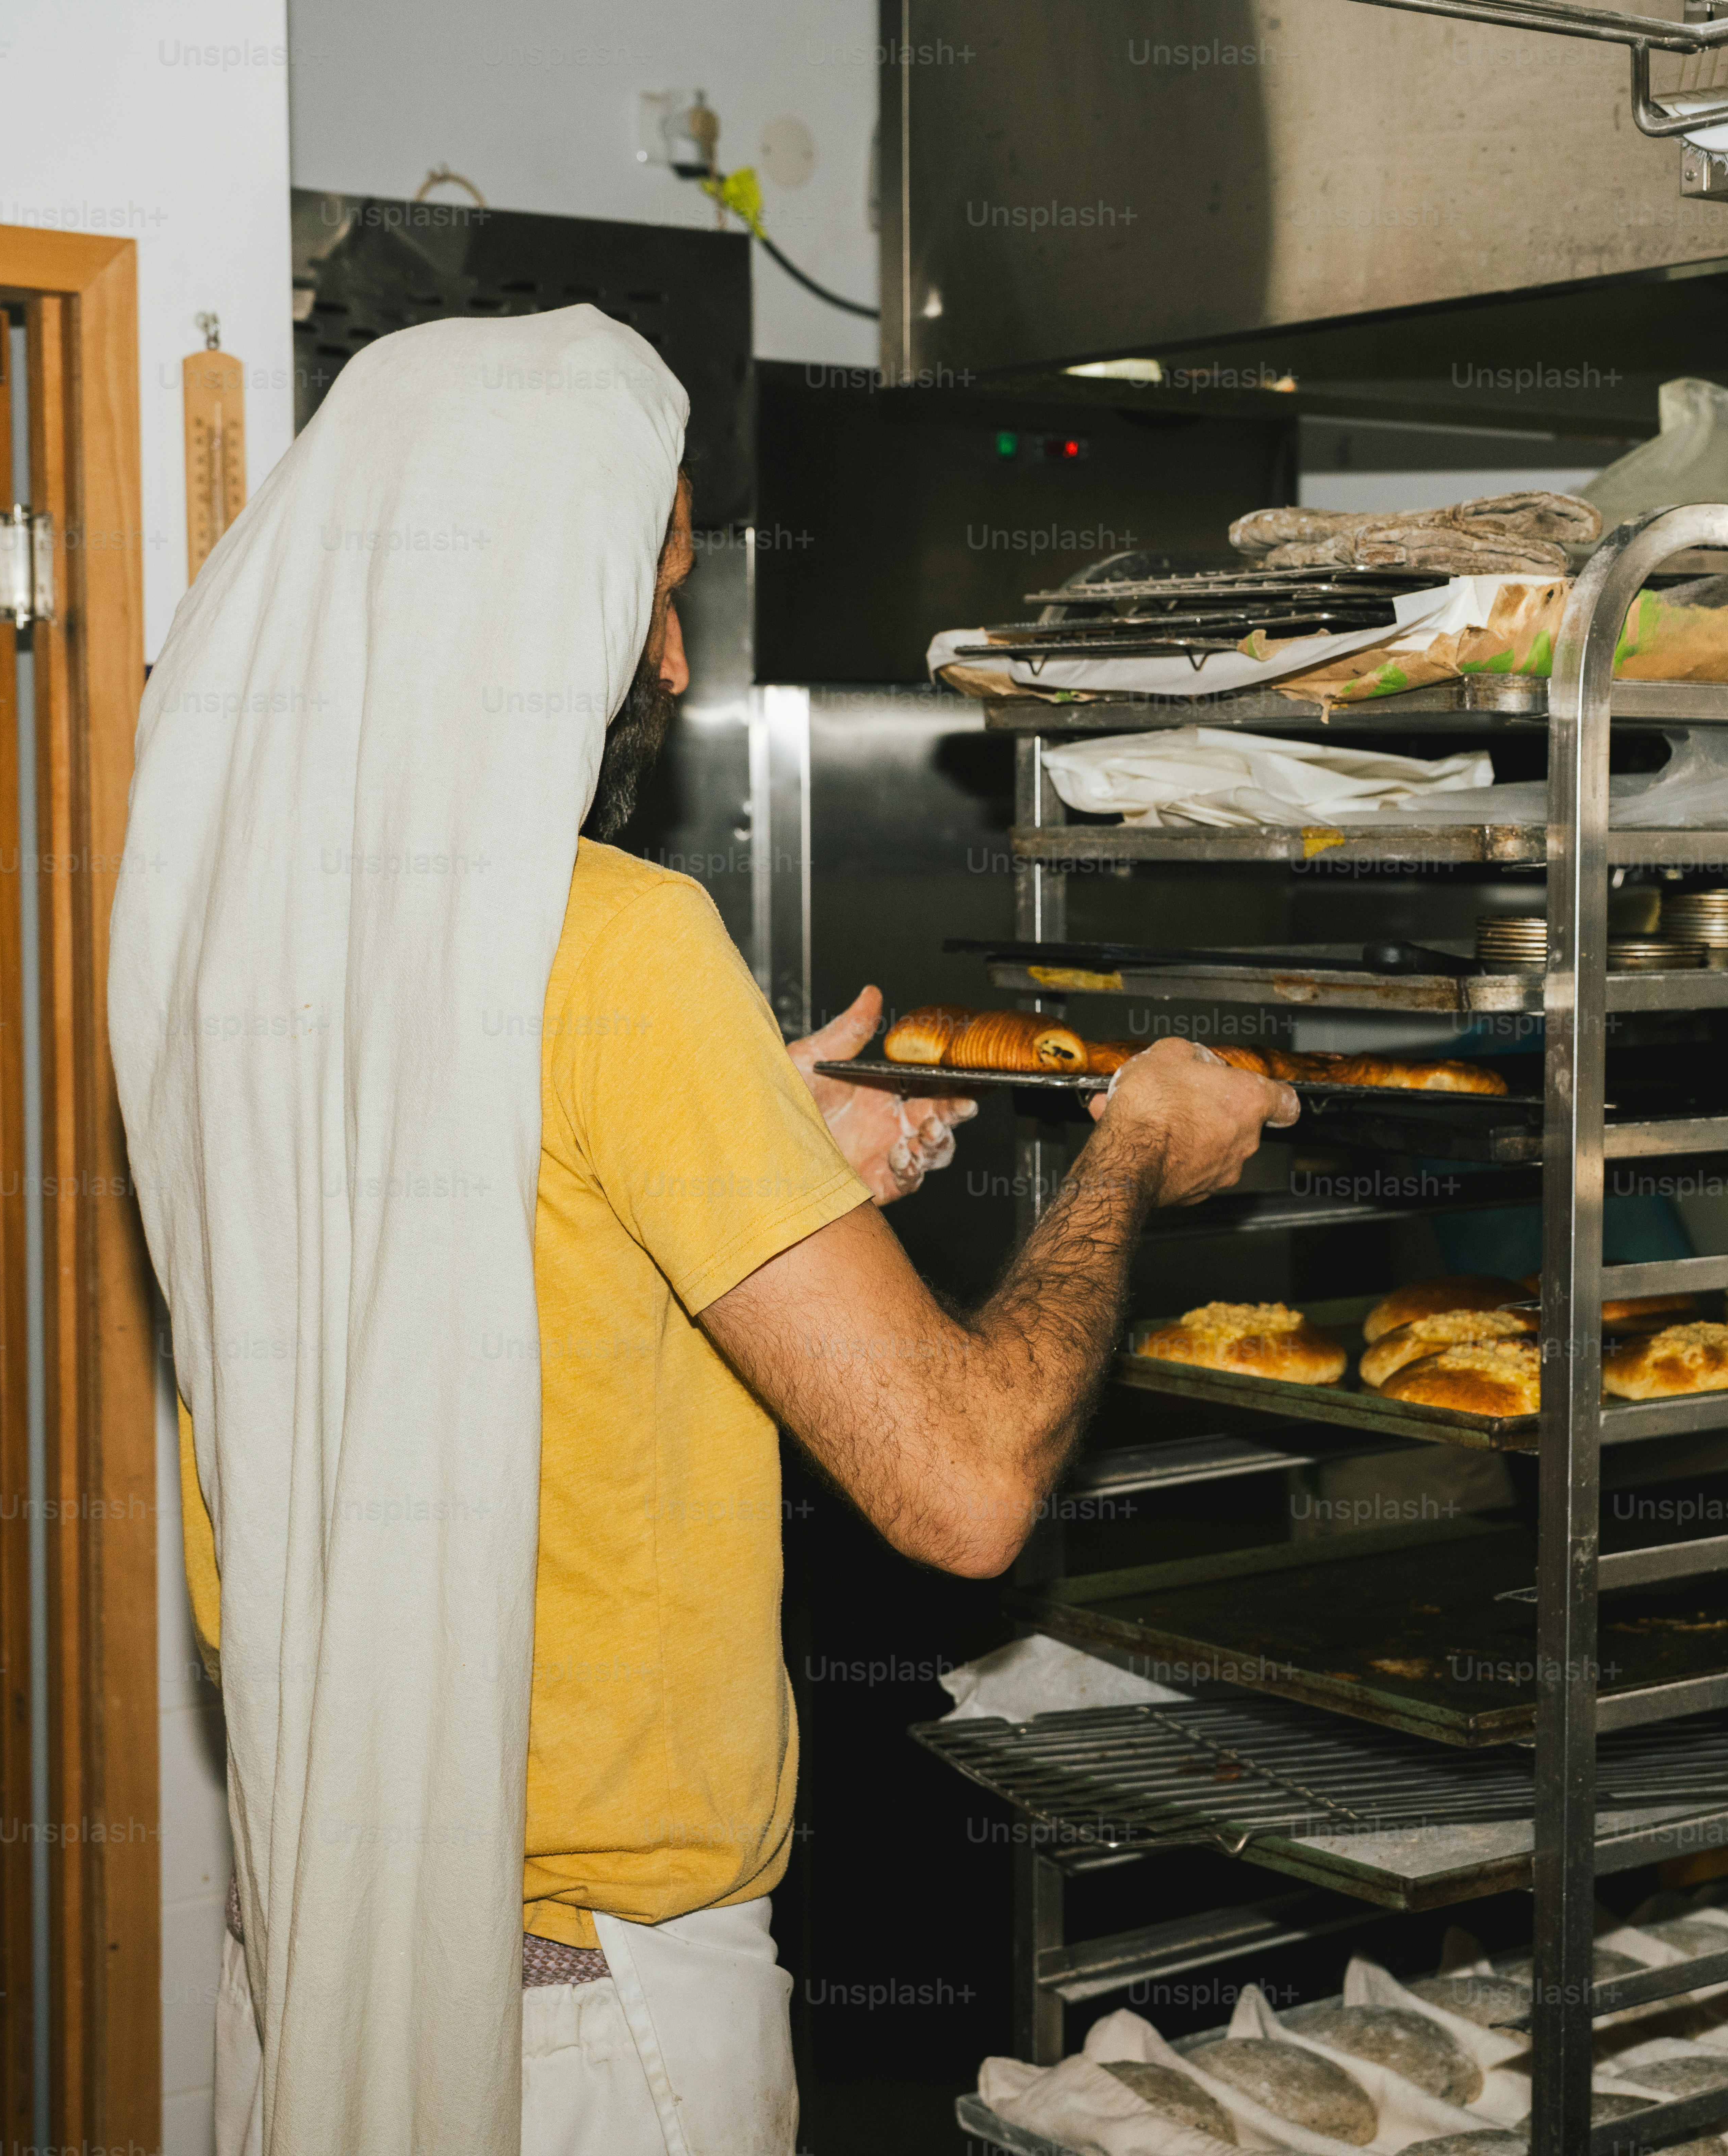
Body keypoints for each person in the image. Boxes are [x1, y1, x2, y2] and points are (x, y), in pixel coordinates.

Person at [108, 310, 1292, 2156]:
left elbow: (450, 1216)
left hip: (319, 1960)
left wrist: (736, 1127)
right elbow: (966, 1489)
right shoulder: (622, 944)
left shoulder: (225, 920)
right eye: (645, 589)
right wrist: (1132, 1154)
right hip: (584, 2040)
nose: (667, 652)